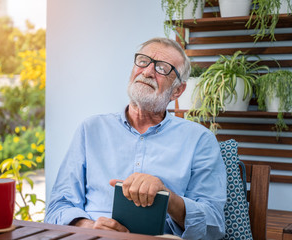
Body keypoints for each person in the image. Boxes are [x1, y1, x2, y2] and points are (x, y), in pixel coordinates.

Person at [45, 37, 226, 239]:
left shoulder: (200, 139)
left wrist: (167, 197)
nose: (147, 72)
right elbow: (57, 207)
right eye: (143, 61)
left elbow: (214, 227)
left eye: (162, 68)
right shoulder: (91, 129)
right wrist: (89, 225)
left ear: (178, 90)